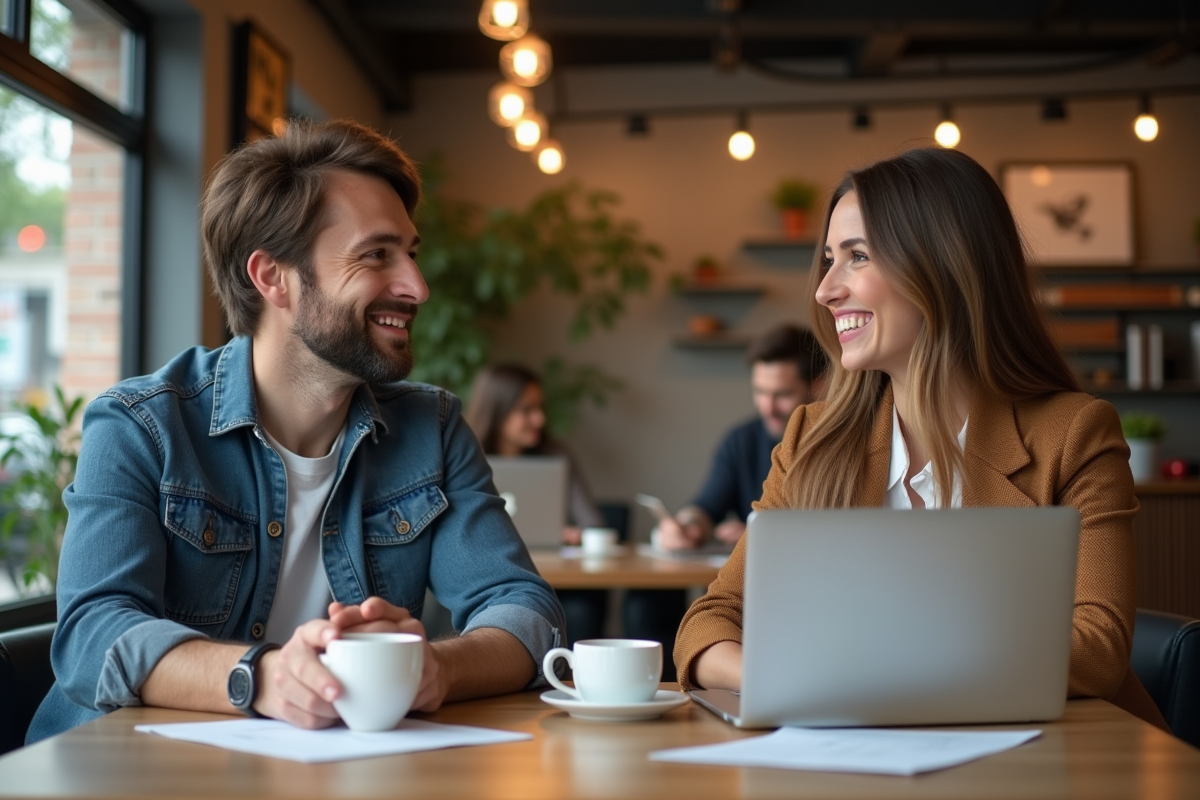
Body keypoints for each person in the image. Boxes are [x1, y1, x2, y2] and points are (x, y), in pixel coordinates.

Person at [28, 120, 565, 743]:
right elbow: (93, 636)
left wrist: (431, 667)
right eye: (376, 255)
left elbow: (528, 614)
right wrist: (265, 679)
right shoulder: (141, 425)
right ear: (272, 277)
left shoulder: (432, 429)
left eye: (411, 254)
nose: (416, 287)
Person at [673, 146, 1166, 729]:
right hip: (853, 761)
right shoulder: (812, 437)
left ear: (943, 267)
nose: (824, 290)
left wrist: (849, 675)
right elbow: (712, 619)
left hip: (1056, 764)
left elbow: (1099, 644)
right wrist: (775, 676)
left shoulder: (1073, 434)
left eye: (856, 257)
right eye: (829, 259)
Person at [464, 364, 611, 648]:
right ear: (498, 410)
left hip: (554, 581)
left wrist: (573, 533)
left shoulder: (556, 455)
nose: (539, 419)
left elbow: (593, 524)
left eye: (540, 408)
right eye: (526, 409)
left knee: (581, 610)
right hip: (489, 580)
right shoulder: (465, 460)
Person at [656, 324, 827, 550]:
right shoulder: (741, 440)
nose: (768, 408)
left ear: (817, 386)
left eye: (782, 394)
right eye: (760, 392)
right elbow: (707, 505)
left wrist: (763, 536)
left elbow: (835, 529)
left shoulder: (838, 443)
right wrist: (688, 524)